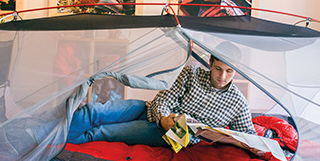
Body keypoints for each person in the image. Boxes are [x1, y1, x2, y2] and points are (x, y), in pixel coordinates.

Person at [65, 46, 255, 147]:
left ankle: (55, 145)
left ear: (236, 71)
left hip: (173, 136)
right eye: (218, 69)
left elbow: (248, 135)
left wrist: (260, 146)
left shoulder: (238, 102)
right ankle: (46, 134)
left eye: (229, 71)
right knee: (94, 110)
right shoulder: (191, 73)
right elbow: (164, 99)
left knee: (100, 132)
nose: (222, 77)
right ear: (210, 63)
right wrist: (163, 119)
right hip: (151, 111)